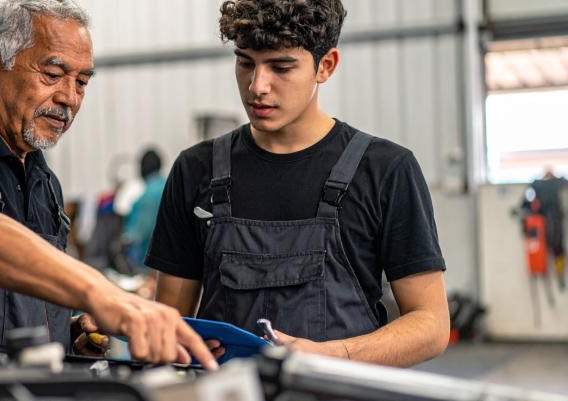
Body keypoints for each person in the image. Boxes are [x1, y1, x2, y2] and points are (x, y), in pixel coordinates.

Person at [0, 0, 216, 370]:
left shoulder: (44, 181)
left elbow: (11, 307)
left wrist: (66, 331)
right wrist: (102, 296)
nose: (69, 98)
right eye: (52, 74)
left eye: (81, 82)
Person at [147, 0, 449, 367]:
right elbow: (169, 321)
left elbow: (431, 325)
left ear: (326, 66)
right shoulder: (195, 170)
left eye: (281, 67)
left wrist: (332, 355)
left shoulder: (386, 169)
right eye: (245, 63)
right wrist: (178, 344)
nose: (257, 86)